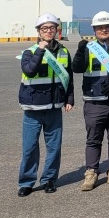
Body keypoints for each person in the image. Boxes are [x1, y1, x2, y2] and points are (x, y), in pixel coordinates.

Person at [17, 12, 74, 196]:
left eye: (52, 28)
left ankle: (49, 179)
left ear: (57, 30)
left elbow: (68, 77)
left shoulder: (64, 52)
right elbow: (30, 71)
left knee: (54, 147)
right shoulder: (29, 52)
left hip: (54, 106)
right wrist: (41, 50)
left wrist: (69, 99)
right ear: (39, 32)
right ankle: (26, 182)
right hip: (33, 106)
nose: (49, 31)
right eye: (44, 28)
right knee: (30, 147)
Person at [71, 11, 109, 191]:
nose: (104, 30)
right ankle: (91, 172)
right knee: (93, 139)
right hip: (94, 101)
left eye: (107, 27)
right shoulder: (89, 47)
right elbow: (77, 68)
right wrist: (80, 52)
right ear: (94, 29)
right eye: (100, 27)